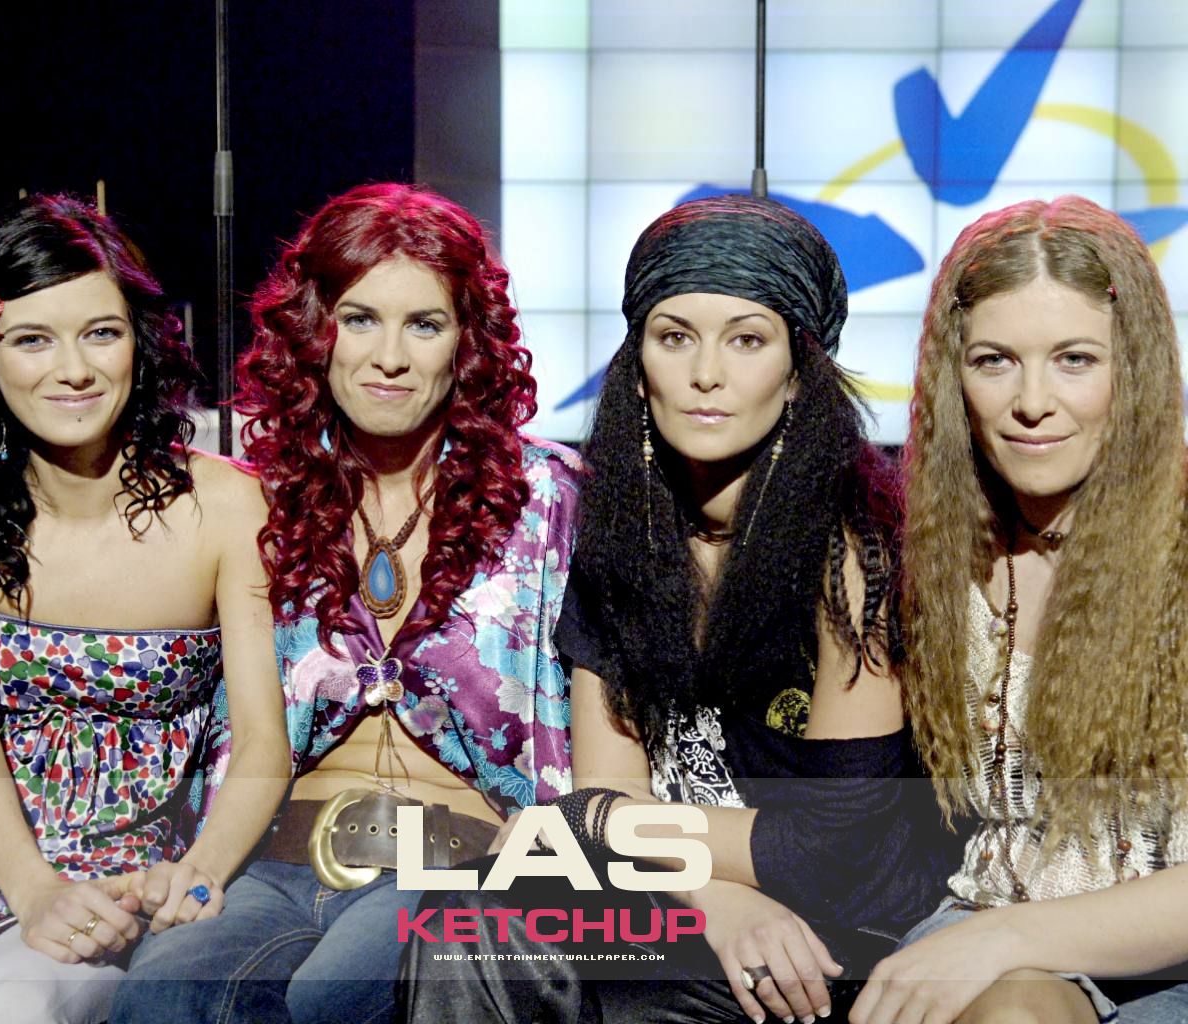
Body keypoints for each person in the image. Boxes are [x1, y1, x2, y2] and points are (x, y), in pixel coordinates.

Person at [400, 193, 954, 1024]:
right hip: (688, 894)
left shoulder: (853, 551)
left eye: (747, 340)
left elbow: (832, 846)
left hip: (843, 928)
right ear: (639, 364)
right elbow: (602, 796)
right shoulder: (622, 538)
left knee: (632, 998)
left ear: (798, 372)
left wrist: (606, 828)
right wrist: (703, 893)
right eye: (675, 337)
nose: (706, 373)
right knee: (462, 914)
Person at [109, 182, 581, 1024]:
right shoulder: (259, 500)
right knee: (162, 993)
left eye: (424, 325)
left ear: (467, 344)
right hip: (270, 864)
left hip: (458, 866)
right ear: (314, 332)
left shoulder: (547, 496)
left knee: (336, 999)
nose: (387, 356)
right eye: (359, 319)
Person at [0, 195, 289, 1023]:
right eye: (32, 340)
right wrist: (32, 889)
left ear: (140, 344)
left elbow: (265, 740)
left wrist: (201, 872)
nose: (73, 370)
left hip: (132, 872)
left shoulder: (225, 505)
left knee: (7, 1005)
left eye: (100, 333)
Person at [849, 195, 1188, 1024]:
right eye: (995, 361)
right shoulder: (931, 558)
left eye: (1075, 360)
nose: (1032, 401)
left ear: (1135, 369)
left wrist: (1005, 939)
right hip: (988, 928)